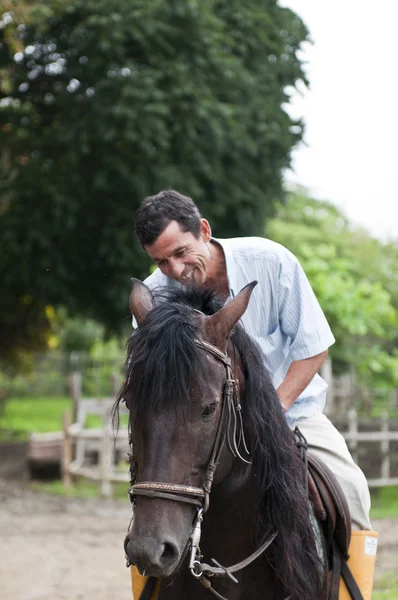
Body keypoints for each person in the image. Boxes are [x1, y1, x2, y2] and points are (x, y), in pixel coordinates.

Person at [134, 189, 372, 531]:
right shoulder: (153, 296)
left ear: (203, 230)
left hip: (289, 416)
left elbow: (313, 346)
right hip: (196, 430)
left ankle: (354, 586)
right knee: (148, 520)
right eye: (161, 261)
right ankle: (148, 586)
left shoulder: (272, 262)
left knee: (351, 493)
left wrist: (273, 409)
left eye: (180, 253)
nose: (175, 270)